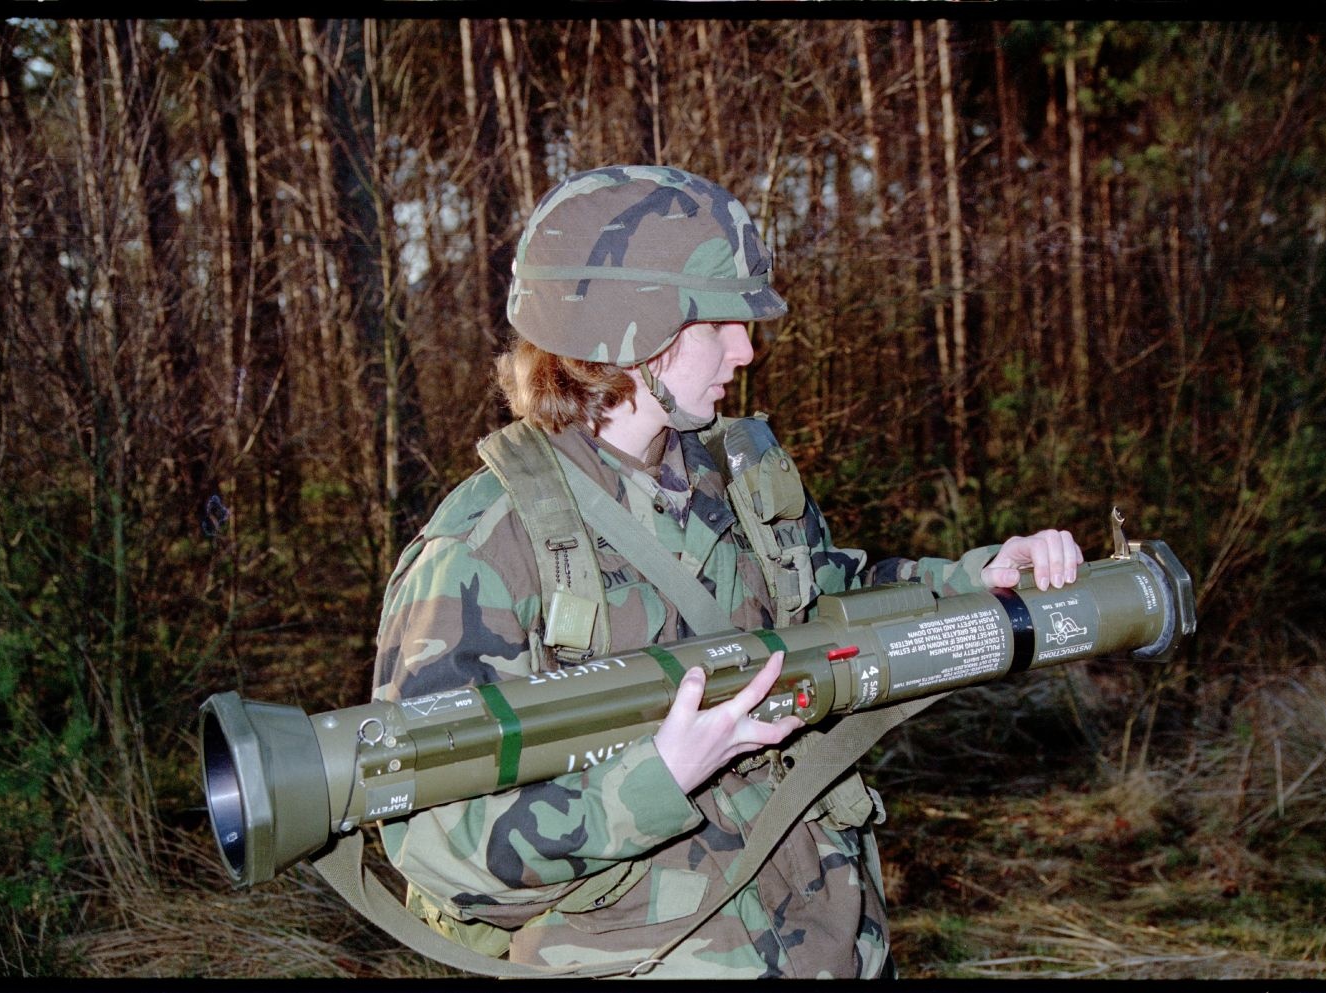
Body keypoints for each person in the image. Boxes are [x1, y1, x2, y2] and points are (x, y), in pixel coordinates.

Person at [371, 164, 1083, 978]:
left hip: (829, 940)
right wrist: (652, 781)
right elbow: (432, 840)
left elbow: (829, 604)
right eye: (720, 320)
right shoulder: (482, 549)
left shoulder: (735, 480)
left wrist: (978, 577)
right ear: (631, 329)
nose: (747, 347)